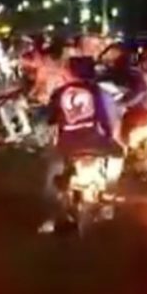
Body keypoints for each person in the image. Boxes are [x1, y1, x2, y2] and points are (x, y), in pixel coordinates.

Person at [39, 56, 120, 234]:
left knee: (52, 179)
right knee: (116, 158)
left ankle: (51, 219)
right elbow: (107, 118)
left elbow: (49, 118)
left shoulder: (60, 92)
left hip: (68, 144)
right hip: (95, 141)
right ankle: (108, 201)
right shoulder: (97, 91)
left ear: (70, 72)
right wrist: (108, 137)